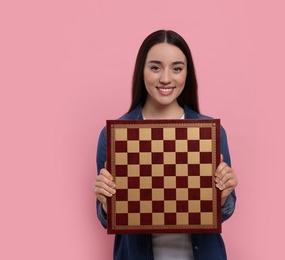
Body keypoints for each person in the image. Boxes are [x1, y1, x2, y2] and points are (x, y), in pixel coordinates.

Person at [93, 30, 238, 259]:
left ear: (187, 74)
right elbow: (108, 219)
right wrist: (105, 202)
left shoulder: (211, 133)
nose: (166, 78)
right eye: (155, 67)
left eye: (177, 68)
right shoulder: (114, 135)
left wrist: (223, 195)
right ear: (141, 71)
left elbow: (226, 211)